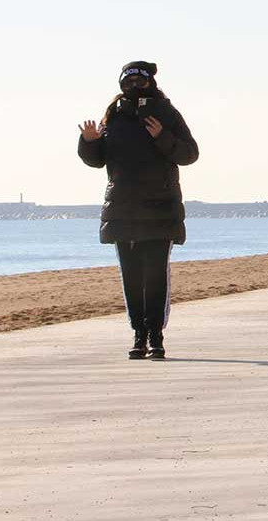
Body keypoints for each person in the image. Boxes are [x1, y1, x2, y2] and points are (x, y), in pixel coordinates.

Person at [78, 61, 199, 360]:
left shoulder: (166, 113)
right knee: (131, 276)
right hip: (122, 210)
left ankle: (156, 335)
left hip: (160, 209)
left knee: (156, 276)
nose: (134, 86)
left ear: (151, 83)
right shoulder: (114, 115)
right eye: (128, 80)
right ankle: (138, 334)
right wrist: (89, 143)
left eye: (140, 81)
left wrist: (162, 137)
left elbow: (189, 154)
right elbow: (98, 160)